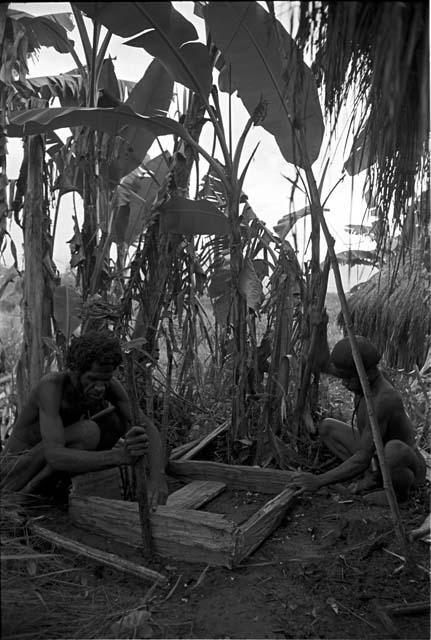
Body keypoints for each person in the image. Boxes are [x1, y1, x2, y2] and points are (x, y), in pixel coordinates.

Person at [1, 331, 168, 509]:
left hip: (48, 461)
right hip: (13, 472)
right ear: (74, 371)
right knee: (87, 432)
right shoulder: (50, 387)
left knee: (116, 420)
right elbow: (54, 455)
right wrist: (120, 456)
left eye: (105, 380)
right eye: (92, 379)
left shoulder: (110, 386)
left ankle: (53, 487)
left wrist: (157, 477)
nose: (99, 388)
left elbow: (146, 425)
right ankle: (25, 495)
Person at [291, 334, 426, 503]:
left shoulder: (384, 399)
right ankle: (373, 475)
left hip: (404, 466)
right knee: (327, 427)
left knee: (393, 450)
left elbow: (363, 456)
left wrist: (318, 481)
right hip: (375, 454)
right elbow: (322, 363)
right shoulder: (362, 377)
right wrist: (321, 326)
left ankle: (398, 495)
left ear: (366, 374)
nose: (343, 384)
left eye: (347, 379)